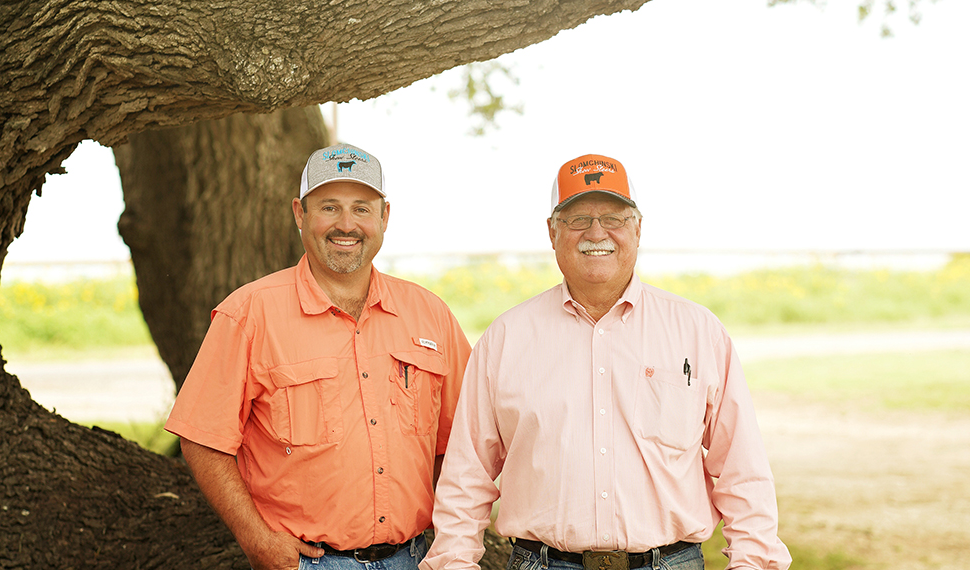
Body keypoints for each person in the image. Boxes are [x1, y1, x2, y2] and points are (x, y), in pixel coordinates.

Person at [421, 154, 792, 570]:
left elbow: (743, 469)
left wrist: (754, 563)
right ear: (552, 231)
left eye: (614, 217)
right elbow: (465, 477)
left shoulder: (698, 331)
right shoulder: (506, 339)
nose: (597, 232)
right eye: (578, 218)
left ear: (637, 227)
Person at [165, 143, 472, 570]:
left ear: (384, 217)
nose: (347, 224)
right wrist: (256, 539)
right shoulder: (249, 314)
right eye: (329, 207)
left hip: (417, 558)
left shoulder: (430, 314)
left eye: (362, 209)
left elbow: (462, 440)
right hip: (308, 563)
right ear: (299, 214)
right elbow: (201, 437)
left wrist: (454, 539)